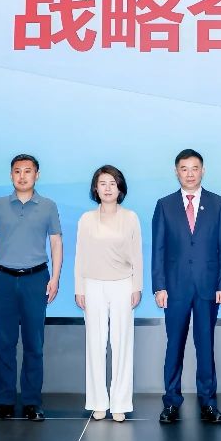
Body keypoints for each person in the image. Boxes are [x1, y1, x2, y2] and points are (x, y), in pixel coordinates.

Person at [152, 148, 221, 424]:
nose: (189, 174)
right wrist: (159, 286)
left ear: (203, 171)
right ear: (176, 172)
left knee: (206, 347)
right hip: (174, 288)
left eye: (194, 168)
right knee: (174, 346)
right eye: (184, 168)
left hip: (208, 287)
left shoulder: (218, 204)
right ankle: (171, 402)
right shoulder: (164, 205)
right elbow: (158, 249)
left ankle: (208, 402)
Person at [0, 154, 63, 421]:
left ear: (36, 175)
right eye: (17, 171)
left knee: (33, 343)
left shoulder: (48, 206)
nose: (22, 176)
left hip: (35, 279)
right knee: (5, 343)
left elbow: (56, 243)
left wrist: (55, 278)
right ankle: (4, 401)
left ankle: (31, 402)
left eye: (28, 171)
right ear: (11, 175)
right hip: (3, 279)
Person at [74, 165, 143, 422]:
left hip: (123, 284)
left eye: (112, 183)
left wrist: (137, 286)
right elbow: (80, 256)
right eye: (103, 183)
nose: (107, 188)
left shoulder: (130, 218)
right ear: (96, 188)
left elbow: (137, 255)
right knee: (95, 343)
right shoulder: (86, 219)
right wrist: (79, 288)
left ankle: (120, 403)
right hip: (92, 284)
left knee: (122, 343)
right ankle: (98, 402)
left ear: (120, 188)